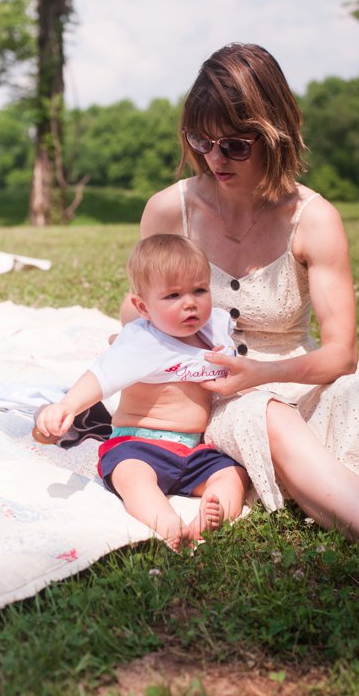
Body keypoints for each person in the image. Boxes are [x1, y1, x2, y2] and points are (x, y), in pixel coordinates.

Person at [132, 42, 359, 596]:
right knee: (264, 415)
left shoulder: (313, 219)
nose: (215, 157)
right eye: (202, 140)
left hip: (298, 372)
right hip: (209, 390)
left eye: (236, 144)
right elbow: (138, 304)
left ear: (275, 135)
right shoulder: (170, 210)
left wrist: (265, 374)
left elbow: (342, 355)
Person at [35, 234, 250, 549]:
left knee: (232, 474)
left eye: (199, 290)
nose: (190, 302)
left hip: (193, 451)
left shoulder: (214, 329)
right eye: (173, 295)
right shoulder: (142, 342)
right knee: (132, 477)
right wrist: (67, 405)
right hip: (139, 445)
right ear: (143, 307)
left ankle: (209, 520)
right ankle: (168, 524)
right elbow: (100, 377)